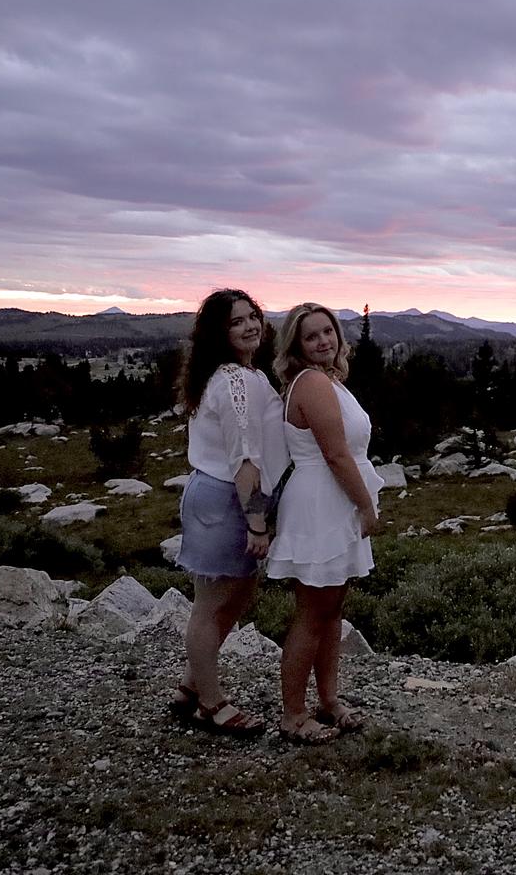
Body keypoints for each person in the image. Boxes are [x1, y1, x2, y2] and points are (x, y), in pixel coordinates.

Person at [172, 288, 288, 736]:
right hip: (226, 498)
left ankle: (190, 685)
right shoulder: (235, 382)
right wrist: (257, 522)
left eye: (252, 316)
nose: (249, 326)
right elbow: (245, 459)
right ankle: (211, 703)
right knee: (210, 605)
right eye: (236, 321)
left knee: (236, 596)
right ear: (219, 333)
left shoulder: (242, 374)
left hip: (228, 496)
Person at [267, 302, 383, 744]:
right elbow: (335, 454)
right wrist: (365, 507)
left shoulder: (327, 380)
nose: (322, 341)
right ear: (296, 345)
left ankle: (329, 700)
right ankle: (293, 715)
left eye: (327, 332)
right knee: (313, 613)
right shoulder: (313, 383)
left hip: (333, 501)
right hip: (322, 503)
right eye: (311, 336)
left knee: (332, 610)